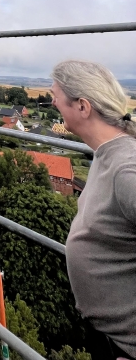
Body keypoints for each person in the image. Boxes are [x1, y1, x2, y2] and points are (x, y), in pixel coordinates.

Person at [51, 60, 136, 360]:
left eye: (56, 95)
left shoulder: (126, 170)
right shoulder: (107, 151)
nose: (52, 102)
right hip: (107, 338)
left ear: (83, 107)